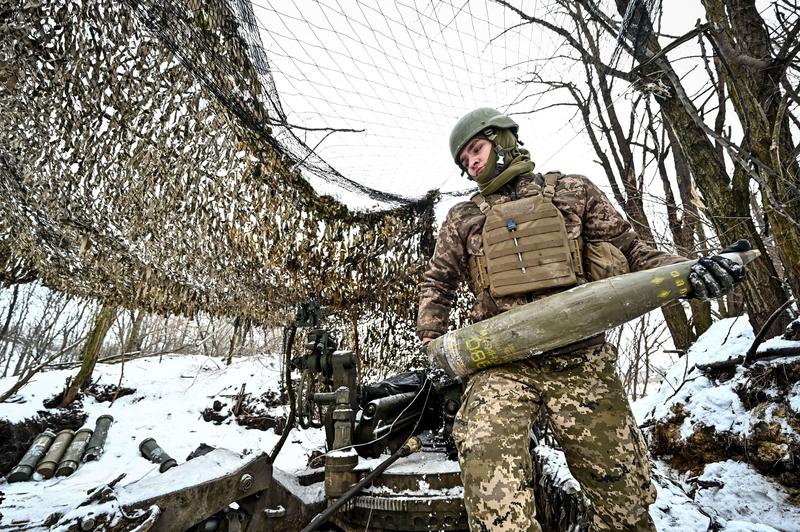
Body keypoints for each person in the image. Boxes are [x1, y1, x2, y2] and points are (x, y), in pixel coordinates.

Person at [417, 108, 746, 531]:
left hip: (581, 361)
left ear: (502, 139)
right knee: (490, 482)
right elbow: (437, 283)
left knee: (625, 504)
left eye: (476, 150)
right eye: (464, 162)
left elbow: (634, 253)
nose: (472, 164)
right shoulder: (462, 217)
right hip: (502, 366)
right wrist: (432, 342)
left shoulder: (572, 190)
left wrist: (692, 272)